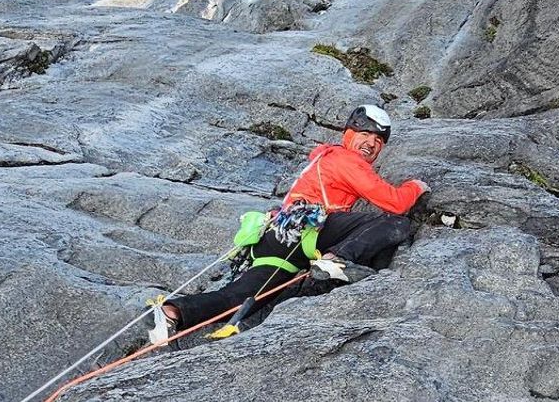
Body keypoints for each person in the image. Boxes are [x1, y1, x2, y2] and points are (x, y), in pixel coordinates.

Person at [162, 104, 430, 331]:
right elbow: (395, 203)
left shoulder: (325, 159)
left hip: (278, 239)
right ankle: (336, 259)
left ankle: (174, 312)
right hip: (306, 231)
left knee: (242, 296)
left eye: (378, 141)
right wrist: (416, 186)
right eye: (365, 134)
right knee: (396, 223)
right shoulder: (344, 159)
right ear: (348, 134)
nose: (371, 143)